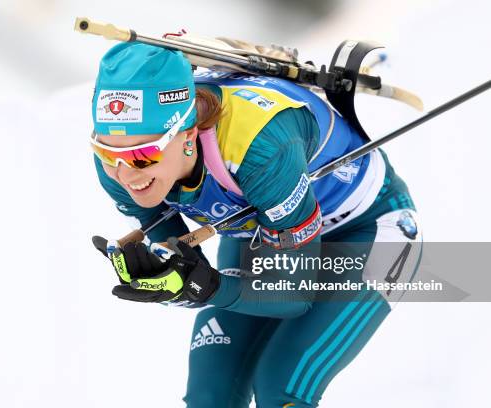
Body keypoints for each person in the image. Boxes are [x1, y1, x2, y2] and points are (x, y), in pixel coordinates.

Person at [90, 42, 422, 407]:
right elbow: (180, 258)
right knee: (210, 395)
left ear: (186, 137)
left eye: (141, 156)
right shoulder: (119, 166)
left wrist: (206, 287)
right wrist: (169, 279)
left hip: (368, 230)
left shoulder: (258, 149)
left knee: (281, 388)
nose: (124, 173)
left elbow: (291, 296)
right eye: (106, 152)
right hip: (265, 229)